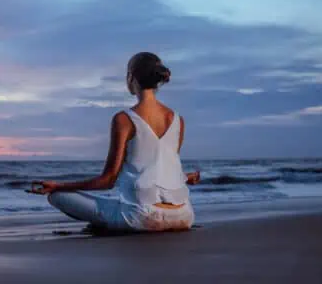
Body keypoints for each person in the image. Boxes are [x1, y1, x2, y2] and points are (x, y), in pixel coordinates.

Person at [28, 52, 200, 232]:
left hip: (143, 218)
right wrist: (185, 177)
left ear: (130, 77)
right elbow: (160, 166)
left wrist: (58, 186)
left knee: (57, 197)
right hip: (184, 216)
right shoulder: (177, 120)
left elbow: (108, 180)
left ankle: (105, 223)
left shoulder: (124, 119)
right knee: (118, 202)